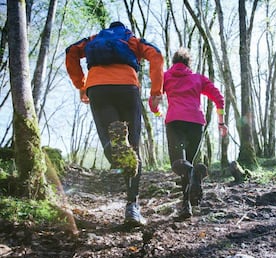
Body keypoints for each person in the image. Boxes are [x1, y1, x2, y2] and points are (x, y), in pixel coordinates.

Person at [65, 21, 164, 226]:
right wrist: (156, 91)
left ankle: (115, 145)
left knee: (111, 140)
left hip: (98, 88)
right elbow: (156, 54)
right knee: (133, 148)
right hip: (127, 87)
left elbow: (70, 51)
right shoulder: (132, 40)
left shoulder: (94, 39)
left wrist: (80, 84)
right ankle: (132, 207)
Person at [150, 47, 228, 220]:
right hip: (195, 123)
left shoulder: (165, 77)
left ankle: (187, 201)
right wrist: (221, 122)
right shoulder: (198, 78)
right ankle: (186, 206)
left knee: (180, 164)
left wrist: (157, 113)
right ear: (188, 63)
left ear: (173, 62)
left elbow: (153, 101)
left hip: (175, 122)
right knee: (188, 167)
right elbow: (219, 98)